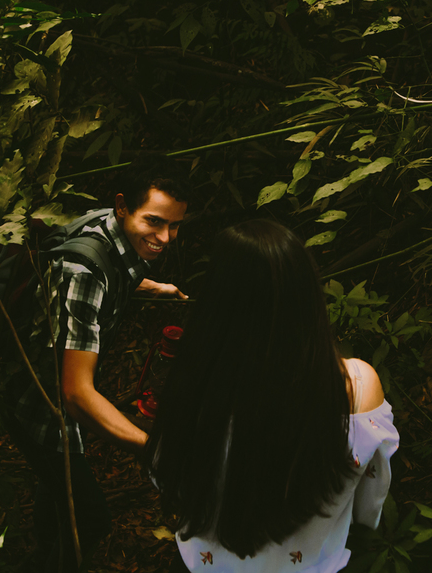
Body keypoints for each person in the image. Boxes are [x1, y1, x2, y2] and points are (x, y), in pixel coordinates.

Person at [146, 220, 399, 573]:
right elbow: (369, 504)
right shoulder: (357, 388)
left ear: (217, 301)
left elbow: (165, 475)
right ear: (308, 294)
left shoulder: (196, 382)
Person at [3, 156, 190, 572]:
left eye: (174, 225)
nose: (165, 236)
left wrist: (155, 286)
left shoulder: (107, 224)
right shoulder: (83, 271)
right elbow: (76, 394)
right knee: (89, 518)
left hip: (46, 387)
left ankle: (41, 552)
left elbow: (115, 265)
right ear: (123, 206)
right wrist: (153, 450)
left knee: (58, 493)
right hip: (40, 404)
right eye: (155, 222)